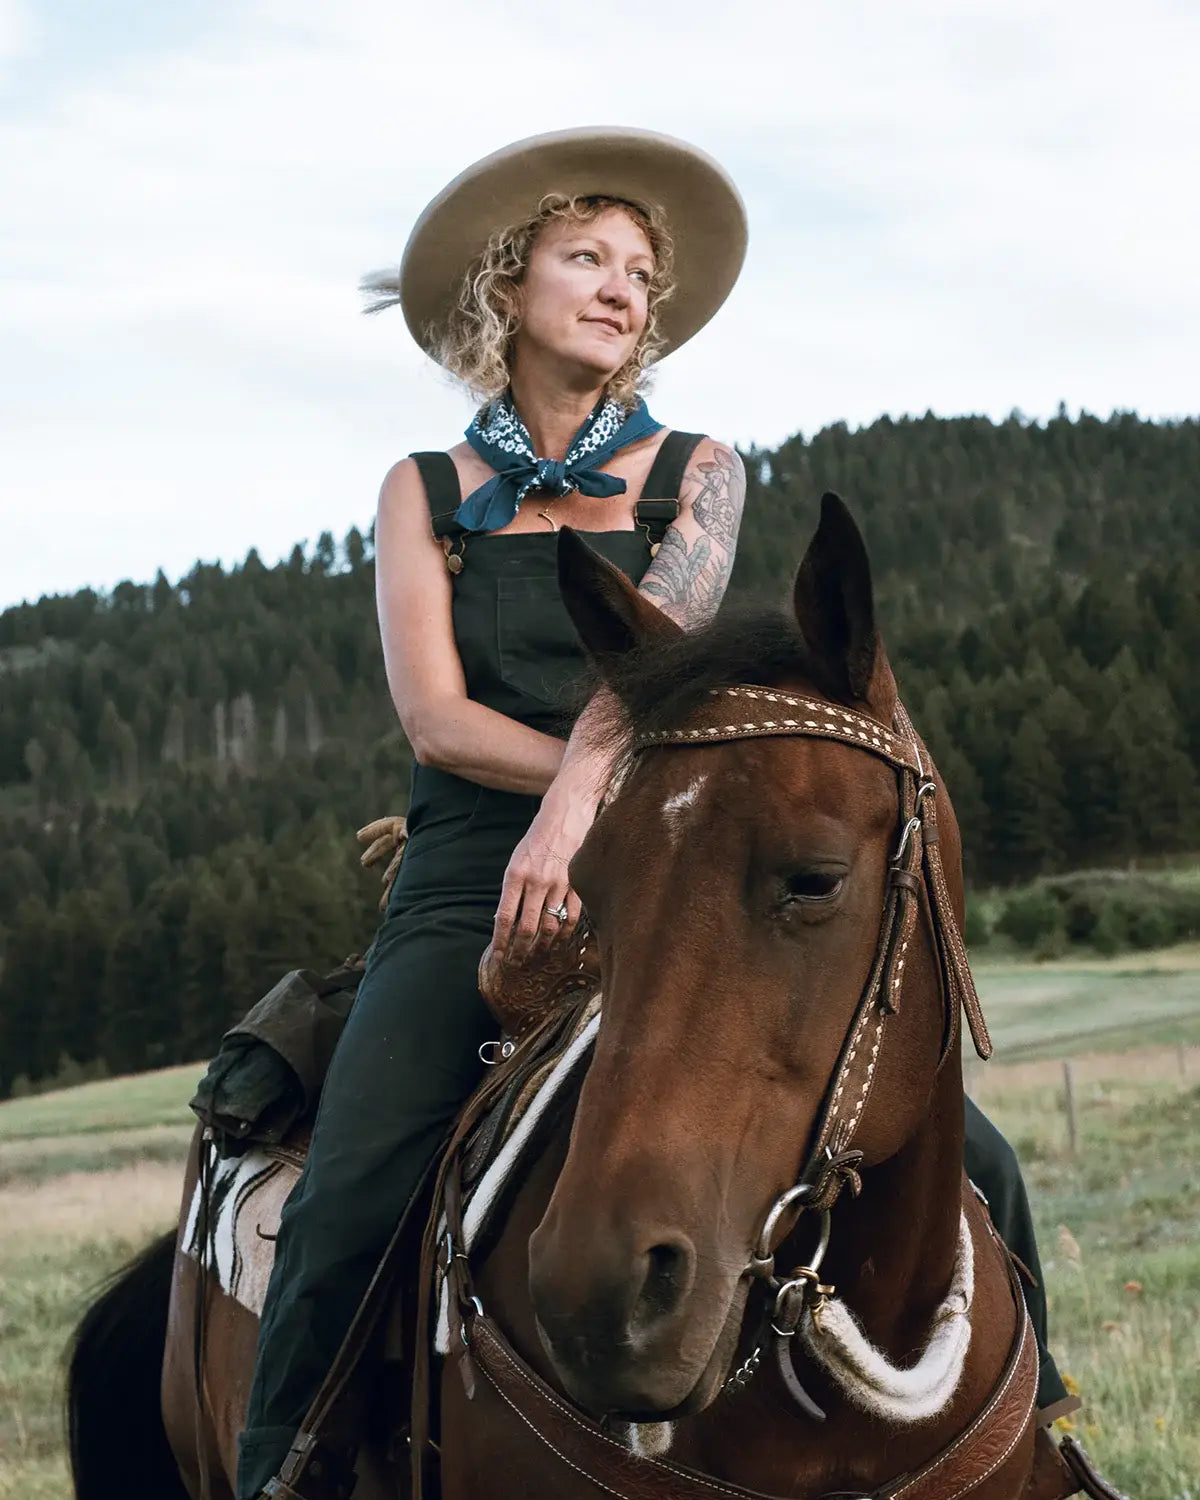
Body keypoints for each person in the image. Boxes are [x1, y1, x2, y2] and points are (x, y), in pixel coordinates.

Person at [237, 126, 1068, 1500]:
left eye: (640, 270)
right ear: (511, 287)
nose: (623, 289)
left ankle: (1042, 1428)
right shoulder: (423, 491)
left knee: (968, 1157)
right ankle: (289, 1463)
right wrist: (551, 815)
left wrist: (590, 811)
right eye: (586, 258)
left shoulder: (702, 470)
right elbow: (436, 722)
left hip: (673, 865)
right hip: (467, 874)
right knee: (356, 1178)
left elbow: (652, 686)